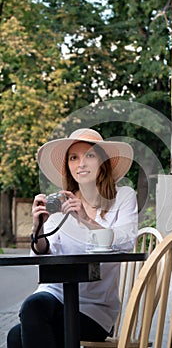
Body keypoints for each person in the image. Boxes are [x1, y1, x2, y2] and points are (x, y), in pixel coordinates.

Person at [7, 128, 138, 348]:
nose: (81, 164)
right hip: (55, 293)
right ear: (68, 165)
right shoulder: (61, 201)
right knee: (32, 308)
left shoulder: (122, 197)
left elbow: (126, 240)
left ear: (103, 162)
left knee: (17, 337)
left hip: (94, 307)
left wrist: (86, 220)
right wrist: (38, 226)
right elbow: (43, 251)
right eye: (73, 158)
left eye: (90, 155)